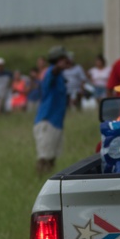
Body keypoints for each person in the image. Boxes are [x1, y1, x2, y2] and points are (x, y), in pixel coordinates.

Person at [33, 45, 72, 175]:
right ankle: (39, 179)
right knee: (44, 157)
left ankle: (46, 180)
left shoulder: (60, 76)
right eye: (64, 59)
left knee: (52, 158)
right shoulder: (51, 72)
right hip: (47, 121)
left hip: (56, 122)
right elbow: (53, 72)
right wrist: (59, 66)